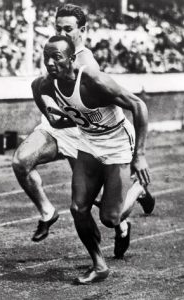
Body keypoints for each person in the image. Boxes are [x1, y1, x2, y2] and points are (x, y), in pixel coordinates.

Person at [12, 4, 154, 244]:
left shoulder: (87, 65)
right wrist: (48, 111)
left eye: (68, 29)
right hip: (61, 126)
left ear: (82, 30)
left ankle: (123, 221)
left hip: (84, 131)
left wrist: (138, 153)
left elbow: (123, 104)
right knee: (21, 161)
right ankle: (48, 213)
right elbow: (41, 85)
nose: (62, 33)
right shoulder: (55, 48)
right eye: (58, 28)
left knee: (102, 206)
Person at [34, 35, 152, 284]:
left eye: (56, 57)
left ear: (71, 59)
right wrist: (54, 118)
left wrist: (139, 155)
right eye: (46, 57)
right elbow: (37, 92)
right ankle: (99, 265)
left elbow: (138, 105)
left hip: (118, 143)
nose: (50, 62)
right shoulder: (46, 84)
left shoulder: (93, 81)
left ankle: (138, 189)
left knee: (110, 218)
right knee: (78, 208)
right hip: (88, 142)